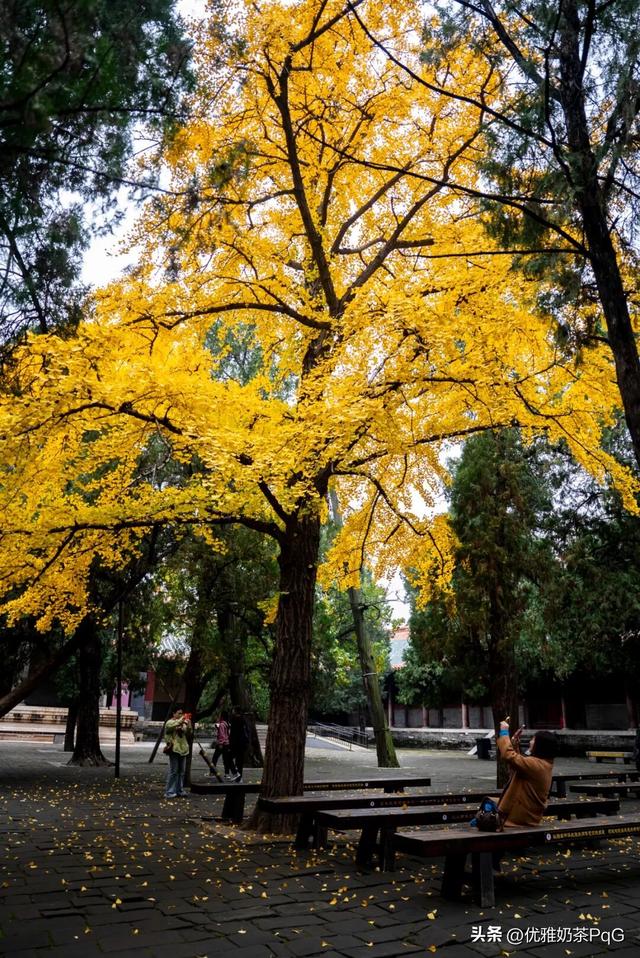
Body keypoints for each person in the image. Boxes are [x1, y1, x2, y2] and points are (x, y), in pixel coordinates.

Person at [497, 720, 558, 826]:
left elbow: (508, 756)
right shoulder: (544, 764)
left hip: (518, 819)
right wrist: (515, 743)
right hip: (527, 816)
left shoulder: (536, 765)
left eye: (533, 740)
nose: (530, 742)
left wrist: (504, 732)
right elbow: (519, 764)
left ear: (540, 745)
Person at [164, 708, 192, 799]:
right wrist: (182, 719)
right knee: (174, 771)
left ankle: (179, 790)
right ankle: (169, 792)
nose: (181, 715)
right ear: (174, 713)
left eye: (182, 713)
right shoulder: (170, 722)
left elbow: (188, 733)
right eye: (179, 713)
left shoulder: (182, 723)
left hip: (183, 749)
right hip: (174, 749)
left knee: (181, 772)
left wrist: (188, 725)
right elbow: (170, 727)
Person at [211, 711, 235, 780]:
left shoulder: (221, 724)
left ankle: (212, 772)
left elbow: (222, 735)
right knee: (226, 760)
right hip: (227, 744)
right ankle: (227, 774)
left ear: (222, 716)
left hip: (222, 744)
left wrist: (220, 743)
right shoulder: (227, 724)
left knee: (215, 758)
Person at [229, 707, 249, 783]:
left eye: (233, 711)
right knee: (239, 762)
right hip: (243, 744)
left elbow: (232, 734)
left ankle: (235, 773)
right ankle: (239, 778)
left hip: (235, 744)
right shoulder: (244, 720)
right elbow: (247, 731)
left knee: (228, 758)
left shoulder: (234, 720)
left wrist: (230, 743)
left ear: (235, 712)